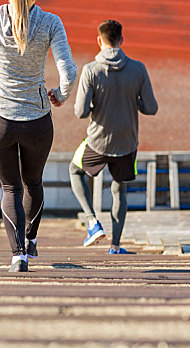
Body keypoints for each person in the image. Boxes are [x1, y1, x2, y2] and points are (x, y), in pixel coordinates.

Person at [0, 0, 77, 272]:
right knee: (33, 182)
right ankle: (31, 238)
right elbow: (70, 73)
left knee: (10, 188)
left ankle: (19, 256)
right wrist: (60, 96)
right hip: (37, 120)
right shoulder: (51, 22)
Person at [68, 19, 158, 254]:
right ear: (122, 40)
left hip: (97, 141)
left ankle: (92, 222)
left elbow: (80, 112)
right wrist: (131, 99)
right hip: (127, 144)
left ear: (99, 41)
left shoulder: (90, 70)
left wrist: (96, 104)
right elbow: (151, 108)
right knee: (120, 191)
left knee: (74, 171)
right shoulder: (138, 69)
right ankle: (115, 246)